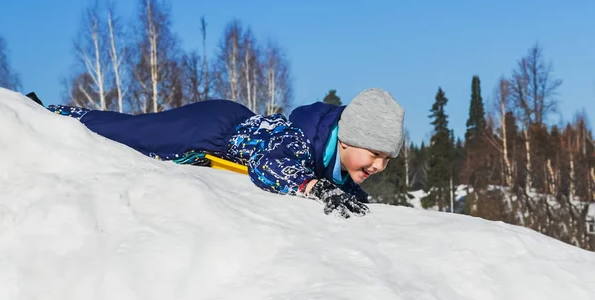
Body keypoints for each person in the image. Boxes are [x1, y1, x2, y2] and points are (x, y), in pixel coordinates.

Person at [30, 88, 405, 218]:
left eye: (387, 159)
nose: (378, 165)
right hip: (210, 130)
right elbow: (271, 166)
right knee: (132, 132)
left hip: (224, 124)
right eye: (373, 153)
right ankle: (47, 113)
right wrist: (313, 188)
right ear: (347, 139)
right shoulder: (298, 139)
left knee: (134, 132)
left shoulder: (334, 160)